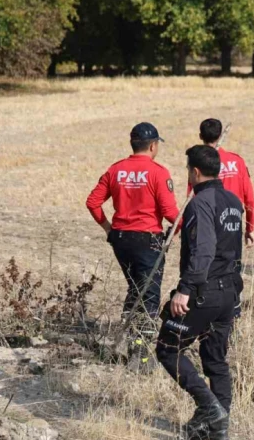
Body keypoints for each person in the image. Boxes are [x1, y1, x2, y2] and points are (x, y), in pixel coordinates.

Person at [156, 145, 243, 440]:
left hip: (205, 293)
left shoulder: (200, 202)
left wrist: (185, 290)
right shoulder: (232, 201)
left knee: (168, 349)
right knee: (215, 360)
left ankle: (210, 410)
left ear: (194, 172)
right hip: (229, 293)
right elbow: (235, 250)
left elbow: (204, 251)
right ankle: (219, 429)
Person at [86, 122, 180, 372]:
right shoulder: (158, 172)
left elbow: (93, 202)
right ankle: (141, 357)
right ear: (153, 145)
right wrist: (183, 225)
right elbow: (171, 214)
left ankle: (130, 340)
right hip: (148, 239)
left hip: (121, 239)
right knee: (148, 296)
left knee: (135, 288)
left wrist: (108, 228)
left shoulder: (116, 169)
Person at [194, 118, 254, 318]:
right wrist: (249, 228)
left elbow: (193, 197)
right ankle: (232, 312)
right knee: (232, 269)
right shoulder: (237, 161)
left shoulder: (199, 161)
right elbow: (249, 198)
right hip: (232, 223)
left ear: (200, 136)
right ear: (220, 135)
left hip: (207, 222)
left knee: (206, 267)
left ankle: (205, 311)